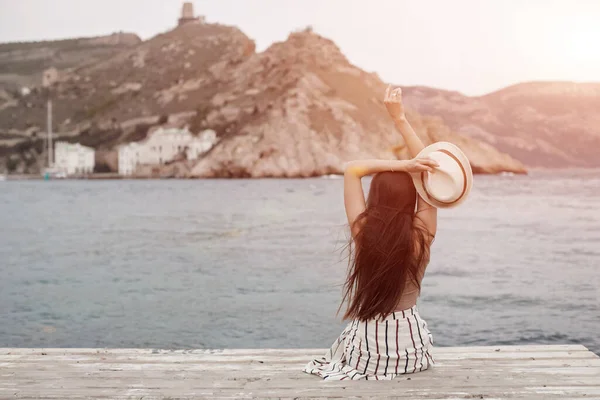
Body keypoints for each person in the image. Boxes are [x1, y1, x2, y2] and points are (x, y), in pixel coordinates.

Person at [304, 86, 472, 380]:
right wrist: (402, 121)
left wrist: (401, 165)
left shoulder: (363, 231)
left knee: (345, 342)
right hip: (413, 353)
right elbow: (427, 174)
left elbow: (352, 170)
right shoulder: (422, 234)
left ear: (375, 197)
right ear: (415, 196)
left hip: (368, 356)